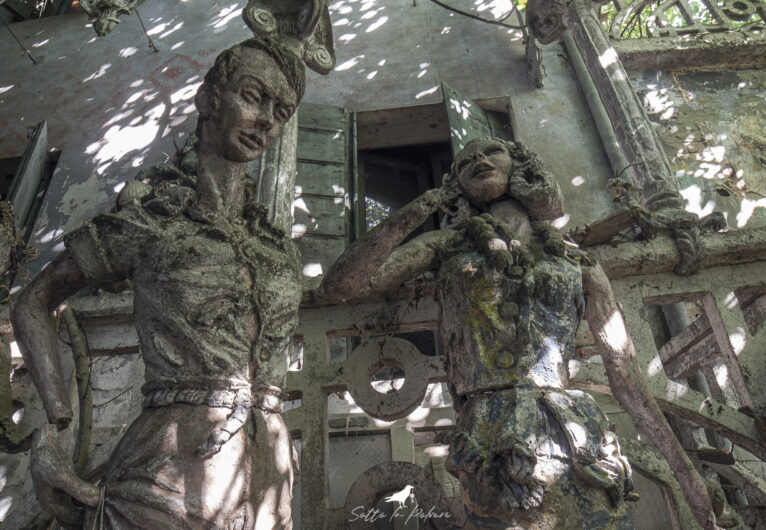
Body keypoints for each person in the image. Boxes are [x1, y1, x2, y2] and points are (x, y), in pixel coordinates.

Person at [12, 37, 304, 529]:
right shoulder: (152, 226)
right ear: (209, 98)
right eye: (253, 97)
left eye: (281, 111)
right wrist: (54, 433)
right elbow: (34, 302)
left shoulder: (278, 249)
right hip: (161, 484)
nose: (266, 121)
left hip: (267, 480)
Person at [317, 137, 638, 528]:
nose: (479, 159)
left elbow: (626, 375)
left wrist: (685, 474)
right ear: (458, 186)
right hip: (489, 430)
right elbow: (342, 287)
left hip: (577, 428)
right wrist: (423, 205)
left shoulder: (570, 255)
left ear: (518, 164)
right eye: (466, 161)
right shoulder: (447, 244)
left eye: (491, 152)